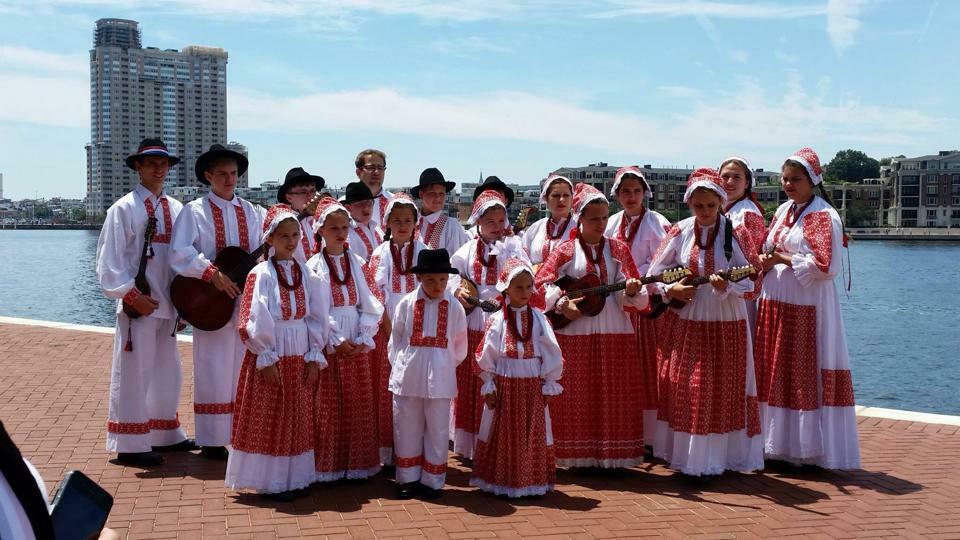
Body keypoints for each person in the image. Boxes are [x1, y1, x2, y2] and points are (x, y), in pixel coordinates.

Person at [646, 167, 764, 477]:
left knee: (724, 386)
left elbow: (755, 280)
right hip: (689, 317)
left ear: (721, 202)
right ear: (689, 204)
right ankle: (689, 456)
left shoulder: (737, 233)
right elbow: (655, 273)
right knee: (689, 385)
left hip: (726, 318)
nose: (705, 212)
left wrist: (729, 286)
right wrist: (671, 289)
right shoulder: (680, 231)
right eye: (699, 206)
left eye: (711, 206)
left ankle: (720, 457)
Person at [755, 147, 860, 470]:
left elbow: (825, 266)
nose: (788, 185)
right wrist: (765, 258)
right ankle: (776, 443)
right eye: (785, 179)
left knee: (802, 369)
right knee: (777, 369)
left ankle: (805, 448)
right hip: (777, 303)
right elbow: (770, 247)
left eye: (795, 180)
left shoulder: (822, 215)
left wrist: (780, 258)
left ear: (812, 180)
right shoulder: (784, 210)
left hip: (805, 304)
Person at [95, 138, 196, 467]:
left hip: (168, 304)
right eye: (151, 162)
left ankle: (164, 433)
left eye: (163, 163)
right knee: (134, 373)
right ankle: (131, 444)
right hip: (139, 305)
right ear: (137, 167)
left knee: (169, 372)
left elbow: (182, 259)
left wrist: (185, 304)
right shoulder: (123, 208)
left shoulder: (178, 208)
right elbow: (108, 263)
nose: (158, 168)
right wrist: (132, 296)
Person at [534, 183, 647, 469]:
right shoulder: (565, 251)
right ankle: (575, 456)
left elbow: (636, 292)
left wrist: (632, 291)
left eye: (604, 217)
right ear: (580, 219)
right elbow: (541, 285)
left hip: (614, 331)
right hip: (575, 332)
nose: (600, 224)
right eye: (594, 218)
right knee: (576, 393)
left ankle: (614, 458)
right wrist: (561, 304)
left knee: (614, 394)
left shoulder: (619, 249)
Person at [226, 206, 330, 501]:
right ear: (269, 239)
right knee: (272, 413)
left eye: (295, 235)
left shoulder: (306, 273)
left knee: (297, 414)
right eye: (283, 236)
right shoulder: (261, 274)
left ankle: (295, 477)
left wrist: (314, 354)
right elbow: (251, 319)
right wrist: (265, 355)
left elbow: (317, 316)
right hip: (274, 349)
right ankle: (271, 480)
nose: (291, 241)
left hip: (299, 349)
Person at [169, 144, 266, 461]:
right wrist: (210, 273)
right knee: (211, 365)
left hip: (244, 300)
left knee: (243, 365)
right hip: (210, 302)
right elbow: (179, 253)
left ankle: (243, 431)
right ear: (208, 176)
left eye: (233, 173)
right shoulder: (194, 211)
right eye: (222, 173)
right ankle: (212, 438)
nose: (229, 179)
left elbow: (262, 249)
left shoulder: (253, 212)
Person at [471, 253, 563, 498]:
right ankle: (502, 481)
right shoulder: (497, 320)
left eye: (529, 287)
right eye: (518, 287)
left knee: (531, 431)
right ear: (506, 289)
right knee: (503, 433)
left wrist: (549, 382)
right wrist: (489, 384)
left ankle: (529, 481)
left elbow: (552, 351)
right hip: (505, 381)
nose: (525, 292)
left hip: (532, 382)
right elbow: (486, 352)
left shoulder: (540, 319)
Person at [306, 196, 385, 482]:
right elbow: (316, 307)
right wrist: (336, 338)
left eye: (344, 227)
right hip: (329, 337)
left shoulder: (359, 262)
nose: (340, 233)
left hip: (355, 332)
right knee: (328, 404)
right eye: (334, 228)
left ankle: (358, 465)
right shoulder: (313, 266)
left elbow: (372, 300)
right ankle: (329, 465)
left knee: (358, 402)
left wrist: (364, 333)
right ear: (321, 231)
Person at [387, 249, 468, 500]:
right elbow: (396, 339)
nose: (438, 285)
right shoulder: (407, 303)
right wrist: (403, 364)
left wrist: (442, 364)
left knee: (437, 428)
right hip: (408, 373)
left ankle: (433, 481)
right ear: (420, 278)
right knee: (406, 425)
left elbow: (459, 345)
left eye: (443, 279)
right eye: (431, 279)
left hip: (441, 376)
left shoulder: (454, 307)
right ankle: (407, 478)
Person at [604, 166, 671, 444]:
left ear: (645, 193)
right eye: (625, 191)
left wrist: (642, 279)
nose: (631, 196)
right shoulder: (611, 223)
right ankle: (626, 430)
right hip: (619, 305)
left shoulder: (658, 222)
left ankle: (651, 436)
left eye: (636, 191)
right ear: (617, 194)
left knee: (648, 367)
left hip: (647, 308)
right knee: (623, 369)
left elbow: (667, 260)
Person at [448, 191, 513, 460]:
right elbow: (453, 278)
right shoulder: (465, 251)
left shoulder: (513, 247)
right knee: (471, 378)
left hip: (502, 318)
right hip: (474, 320)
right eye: (491, 222)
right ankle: (471, 441)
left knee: (499, 376)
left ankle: (497, 439)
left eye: (500, 221)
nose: (497, 228)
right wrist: (457, 292)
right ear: (478, 223)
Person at [368, 193, 428, 468]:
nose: (402, 225)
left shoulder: (424, 251)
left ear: (416, 222)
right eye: (397, 220)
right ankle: (388, 453)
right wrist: (389, 328)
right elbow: (373, 294)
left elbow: (433, 291)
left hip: (418, 331)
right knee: (386, 391)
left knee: (414, 392)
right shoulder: (379, 253)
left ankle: (413, 451)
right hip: (387, 330)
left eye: (408, 220)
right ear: (387, 222)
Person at [719, 157, 766, 333]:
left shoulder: (747, 213)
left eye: (736, 177)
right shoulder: (725, 209)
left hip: (737, 291)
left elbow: (749, 259)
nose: (729, 182)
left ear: (747, 183)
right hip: (721, 287)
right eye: (725, 176)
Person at [521, 174, 577, 267]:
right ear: (546, 198)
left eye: (566, 195)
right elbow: (523, 258)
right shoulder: (536, 228)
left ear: (572, 198)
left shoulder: (581, 227)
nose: (561, 199)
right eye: (556, 195)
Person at [412, 167, 469, 252]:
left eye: (441, 193)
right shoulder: (413, 224)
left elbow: (457, 261)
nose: (438, 198)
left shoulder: (452, 226)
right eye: (433, 193)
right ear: (421, 194)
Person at [276, 167, 324, 262]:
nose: (310, 196)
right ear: (289, 198)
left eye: (313, 191)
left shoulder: (323, 220)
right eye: (303, 192)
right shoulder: (279, 223)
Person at [341, 182, 383, 262]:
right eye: (360, 204)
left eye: (369, 203)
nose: (366, 208)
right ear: (348, 208)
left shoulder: (377, 229)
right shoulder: (346, 234)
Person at [354, 149, 393, 228]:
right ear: (358, 172)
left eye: (380, 168)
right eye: (371, 167)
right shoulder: (344, 205)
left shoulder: (394, 201)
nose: (376, 172)